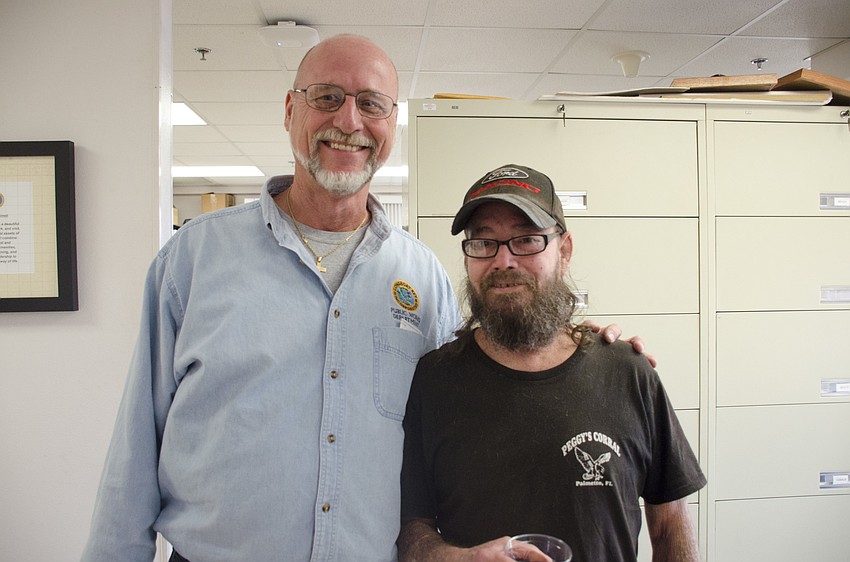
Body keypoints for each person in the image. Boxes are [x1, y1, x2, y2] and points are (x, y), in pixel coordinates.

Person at [82, 36, 646, 562]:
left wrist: (578, 348)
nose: (348, 121)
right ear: (289, 111)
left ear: (391, 124)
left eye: (371, 104)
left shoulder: (421, 276)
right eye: (327, 97)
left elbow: (485, 379)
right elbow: (134, 454)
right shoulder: (193, 260)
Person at [398, 164, 706, 562]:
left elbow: (671, 528)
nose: (503, 261)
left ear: (564, 251)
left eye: (526, 241)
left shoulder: (628, 372)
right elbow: (410, 528)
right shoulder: (433, 381)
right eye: (483, 242)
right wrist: (454, 559)